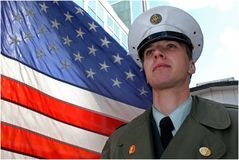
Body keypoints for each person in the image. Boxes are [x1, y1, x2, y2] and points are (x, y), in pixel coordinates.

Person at [101, 6, 238, 159]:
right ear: (145, 72)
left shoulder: (235, 125)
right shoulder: (117, 143)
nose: (158, 53)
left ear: (191, 65)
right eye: (149, 52)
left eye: (170, 46)